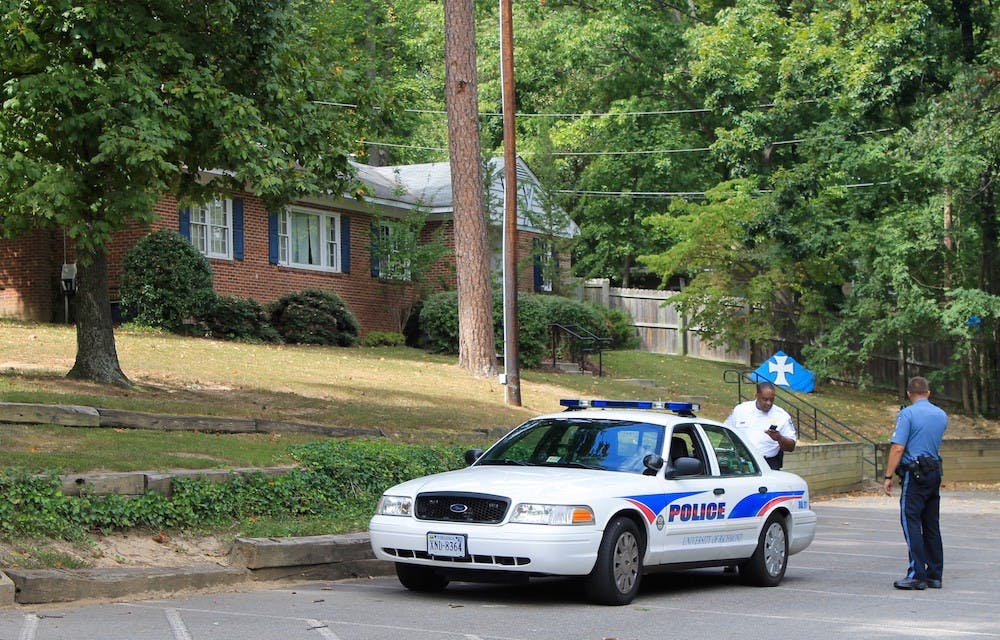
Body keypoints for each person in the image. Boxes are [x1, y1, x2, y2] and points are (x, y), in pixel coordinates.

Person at [882, 376, 948, 590]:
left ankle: (916, 574)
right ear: (928, 393)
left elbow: (898, 447)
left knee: (911, 522)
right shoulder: (941, 415)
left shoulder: (907, 414)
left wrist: (888, 476)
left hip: (915, 473)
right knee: (931, 524)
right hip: (934, 472)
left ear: (909, 394)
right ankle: (934, 574)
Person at [724, 381, 797, 470]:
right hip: (741, 463)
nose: (769, 403)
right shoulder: (741, 410)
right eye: (765, 399)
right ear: (757, 396)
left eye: (772, 399)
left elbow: (791, 446)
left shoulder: (782, 416)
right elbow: (726, 433)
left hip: (768, 465)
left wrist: (779, 438)